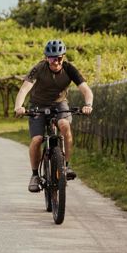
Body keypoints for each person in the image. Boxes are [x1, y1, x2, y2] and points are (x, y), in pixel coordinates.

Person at [13, 39, 94, 192]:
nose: (55, 62)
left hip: (59, 103)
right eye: (51, 58)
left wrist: (88, 105)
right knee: (37, 139)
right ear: (46, 58)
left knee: (64, 125)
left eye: (59, 58)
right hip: (38, 105)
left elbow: (86, 90)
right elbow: (24, 89)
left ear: (63, 57)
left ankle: (66, 166)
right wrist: (19, 106)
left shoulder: (69, 69)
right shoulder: (39, 68)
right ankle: (35, 175)